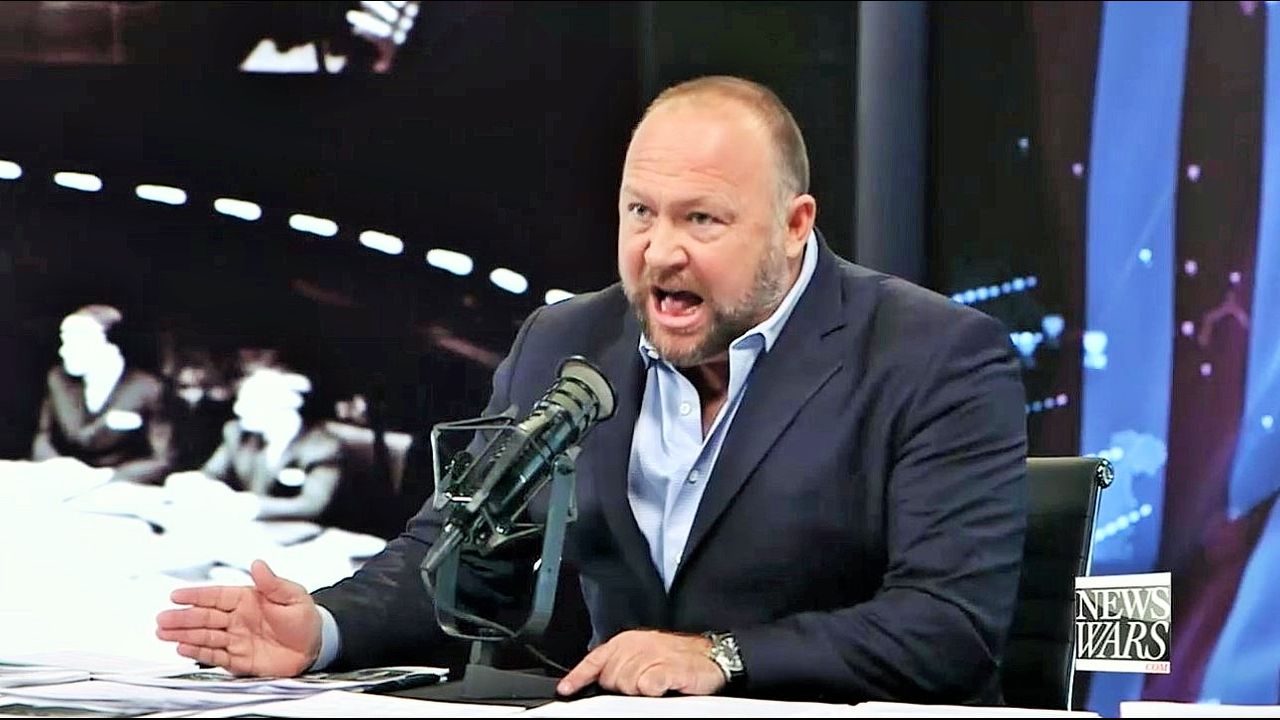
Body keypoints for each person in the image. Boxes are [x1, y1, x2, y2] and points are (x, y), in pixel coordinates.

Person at [157, 76, 1028, 704]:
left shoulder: (933, 356)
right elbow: (458, 551)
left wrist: (722, 656)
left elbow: (949, 624)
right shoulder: (567, 340)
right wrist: (323, 629)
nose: (660, 252)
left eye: (701, 218)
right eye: (640, 212)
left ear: (795, 226)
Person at [164, 364, 345, 524]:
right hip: (252, 529)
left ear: (282, 407)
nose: (238, 410)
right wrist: (192, 483)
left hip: (306, 535)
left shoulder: (322, 447)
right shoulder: (237, 434)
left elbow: (311, 505)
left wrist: (250, 506)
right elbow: (212, 474)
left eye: (251, 403)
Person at [32, 304, 174, 485]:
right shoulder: (58, 379)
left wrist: (107, 477)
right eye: (64, 340)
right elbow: (43, 438)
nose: (63, 350)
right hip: (64, 482)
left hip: (119, 486)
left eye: (78, 341)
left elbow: (162, 460)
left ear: (111, 345)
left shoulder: (148, 389)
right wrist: (56, 467)